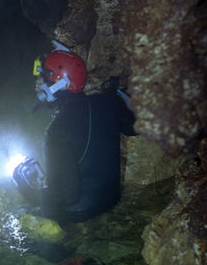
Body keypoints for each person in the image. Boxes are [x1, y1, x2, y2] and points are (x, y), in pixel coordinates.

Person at [13, 42, 136, 225]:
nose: (37, 85)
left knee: (23, 216)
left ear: (59, 83)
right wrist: (117, 94)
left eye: (41, 80)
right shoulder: (108, 102)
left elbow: (66, 196)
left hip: (82, 214)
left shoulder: (57, 131)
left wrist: (24, 187)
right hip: (112, 200)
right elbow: (133, 128)